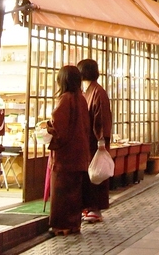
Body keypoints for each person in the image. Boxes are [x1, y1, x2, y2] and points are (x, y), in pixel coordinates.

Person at [46, 65, 91, 236]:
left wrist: (48, 129)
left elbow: (59, 128)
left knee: (61, 192)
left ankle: (61, 226)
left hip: (65, 156)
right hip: (80, 154)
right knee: (74, 192)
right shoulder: (81, 98)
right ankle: (74, 225)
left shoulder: (65, 99)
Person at [77, 58, 113, 224]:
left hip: (96, 142)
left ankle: (95, 208)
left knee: (96, 174)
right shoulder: (90, 91)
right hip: (89, 141)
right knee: (91, 174)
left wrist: (101, 141)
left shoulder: (98, 92)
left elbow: (101, 119)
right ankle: (90, 207)